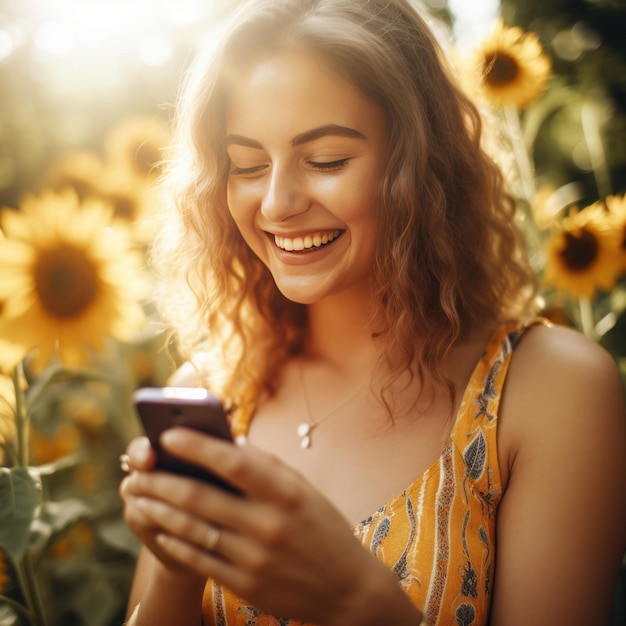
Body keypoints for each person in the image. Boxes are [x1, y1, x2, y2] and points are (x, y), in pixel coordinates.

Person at [119, 0, 626, 624]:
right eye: (246, 165)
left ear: (422, 166)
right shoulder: (211, 396)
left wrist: (355, 600)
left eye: (326, 160)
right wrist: (176, 563)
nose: (276, 204)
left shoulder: (550, 390)